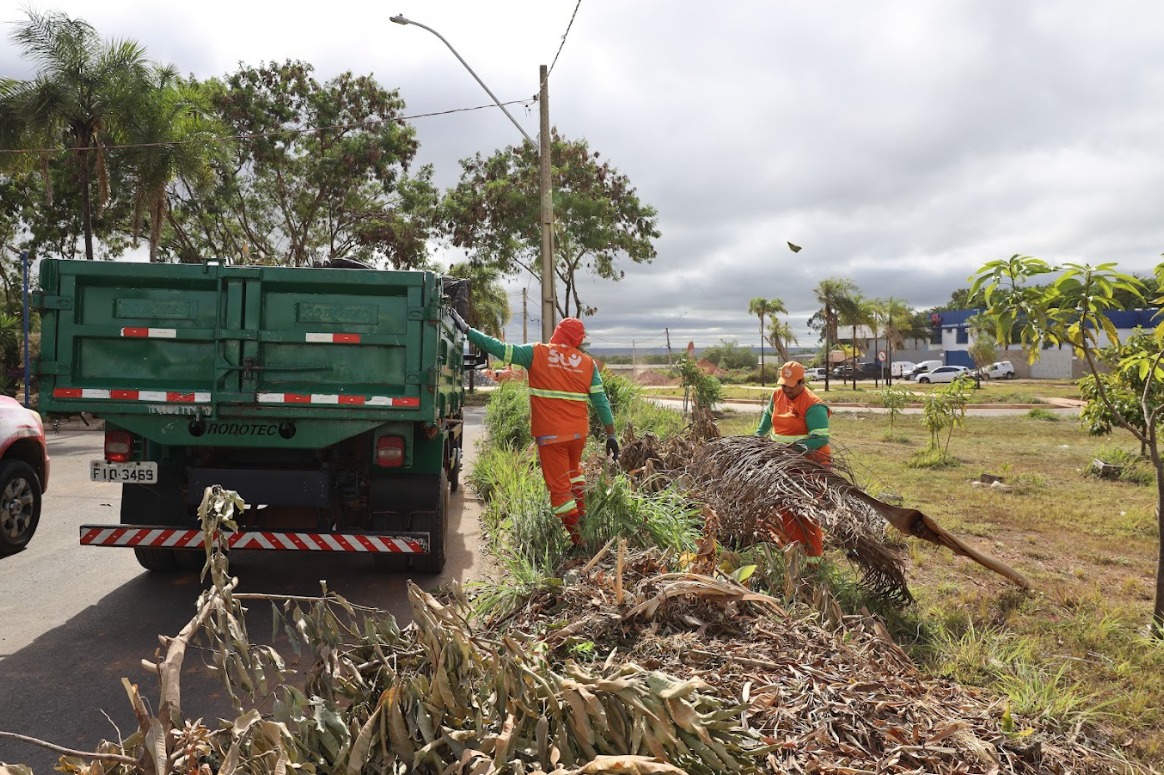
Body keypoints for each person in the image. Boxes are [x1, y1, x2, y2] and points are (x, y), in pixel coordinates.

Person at [449, 311, 618, 545]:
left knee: (560, 494)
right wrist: (611, 435)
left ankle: (581, 543)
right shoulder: (588, 364)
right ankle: (584, 522)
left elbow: (499, 348)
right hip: (578, 435)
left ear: (557, 332)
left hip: (552, 437)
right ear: (578, 340)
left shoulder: (536, 352)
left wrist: (468, 331)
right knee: (574, 475)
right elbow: (601, 402)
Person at [753, 360, 832, 556]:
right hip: (782, 461)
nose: (785, 390)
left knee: (806, 512)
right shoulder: (777, 394)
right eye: (782, 384)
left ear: (801, 382)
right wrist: (758, 436)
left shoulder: (813, 405)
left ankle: (814, 558)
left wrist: (794, 449)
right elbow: (768, 416)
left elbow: (821, 438)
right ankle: (793, 553)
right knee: (783, 508)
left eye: (789, 386)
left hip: (809, 463)